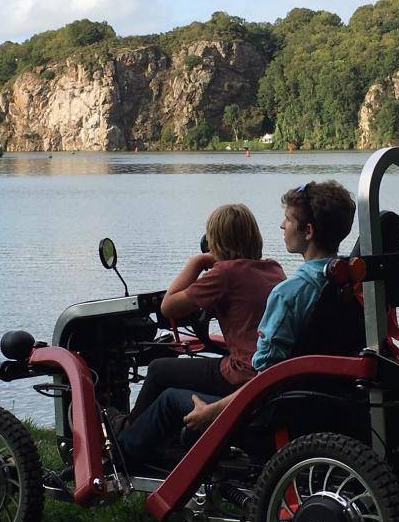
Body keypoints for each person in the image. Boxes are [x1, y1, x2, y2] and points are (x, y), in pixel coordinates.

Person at [115, 181, 355, 468]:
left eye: (288, 219)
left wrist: (214, 411)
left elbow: (263, 374)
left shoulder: (287, 292)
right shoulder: (330, 281)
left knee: (162, 379)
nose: (281, 225)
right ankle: (150, 440)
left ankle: (121, 452)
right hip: (314, 392)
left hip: (263, 397)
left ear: (308, 232)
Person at [114, 204, 284, 459]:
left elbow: (169, 306)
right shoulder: (273, 268)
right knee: (175, 370)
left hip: (242, 373)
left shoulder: (224, 273)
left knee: (161, 369)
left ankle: (127, 436)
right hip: (265, 370)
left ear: (215, 242)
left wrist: (196, 263)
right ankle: (159, 436)